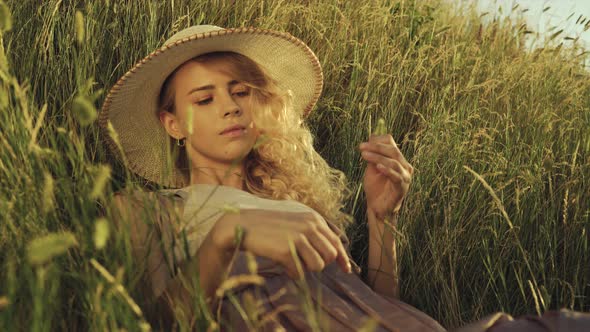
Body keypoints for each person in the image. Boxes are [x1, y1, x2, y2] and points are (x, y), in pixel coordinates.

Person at [100, 25, 589, 331]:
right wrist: (227, 234)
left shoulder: (295, 206)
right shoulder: (145, 209)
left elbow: (372, 305)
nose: (229, 105)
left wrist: (384, 219)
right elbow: (157, 320)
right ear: (171, 124)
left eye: (241, 91)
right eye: (203, 99)